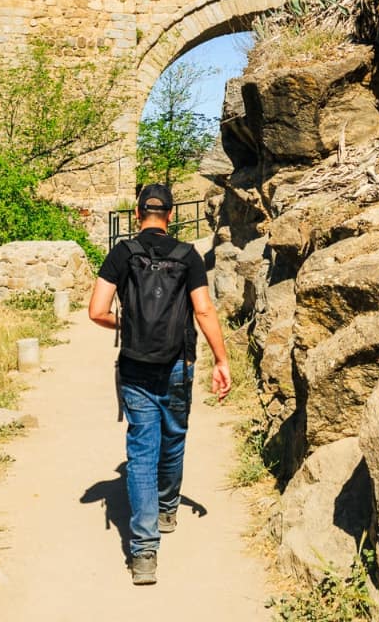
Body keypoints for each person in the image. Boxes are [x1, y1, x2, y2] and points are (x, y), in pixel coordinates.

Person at [88, 183, 231, 586]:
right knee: (174, 438)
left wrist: (127, 325)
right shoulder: (188, 256)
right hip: (178, 365)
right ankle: (168, 507)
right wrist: (222, 359)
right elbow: (202, 310)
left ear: (138, 215)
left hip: (134, 365)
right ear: (170, 215)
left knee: (141, 453)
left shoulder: (122, 253)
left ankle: (145, 552)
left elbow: (96, 311)